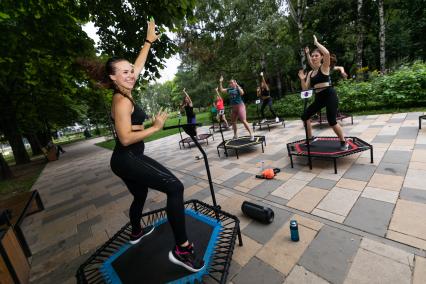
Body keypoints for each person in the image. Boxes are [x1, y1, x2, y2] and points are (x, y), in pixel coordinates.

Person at [82, 19, 204, 272]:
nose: (130, 74)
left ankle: (136, 231)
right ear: (113, 77)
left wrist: (148, 41)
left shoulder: (124, 93)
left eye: (131, 71)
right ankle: (182, 249)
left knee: (140, 194)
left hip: (123, 159)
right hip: (127, 157)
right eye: (124, 72)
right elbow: (125, 138)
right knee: (175, 187)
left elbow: (138, 67)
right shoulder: (122, 100)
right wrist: (155, 128)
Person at [298, 35, 348, 151]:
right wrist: (302, 78)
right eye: (312, 56)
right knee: (305, 116)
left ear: (320, 58)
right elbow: (305, 89)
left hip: (330, 95)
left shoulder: (324, 67)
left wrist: (316, 43)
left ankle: (343, 141)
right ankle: (310, 138)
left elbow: (327, 54)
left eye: (316, 55)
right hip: (319, 97)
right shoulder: (310, 73)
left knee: (332, 121)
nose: (314, 57)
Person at [218, 76, 254, 141]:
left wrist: (237, 85)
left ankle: (251, 134)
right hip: (233, 108)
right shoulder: (229, 89)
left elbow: (242, 93)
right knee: (233, 122)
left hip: (240, 106)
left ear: (235, 83)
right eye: (230, 83)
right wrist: (220, 82)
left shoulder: (237, 88)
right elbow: (221, 90)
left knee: (243, 120)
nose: (230, 84)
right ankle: (235, 135)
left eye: (231, 83)